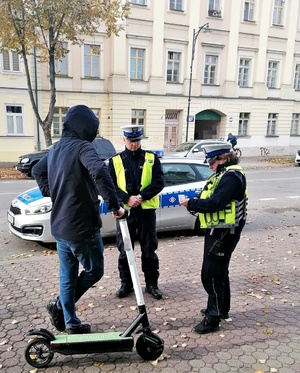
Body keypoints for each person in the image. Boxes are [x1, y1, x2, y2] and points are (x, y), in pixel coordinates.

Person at [32, 105, 125, 334]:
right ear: (86, 127)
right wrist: (115, 205)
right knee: (95, 270)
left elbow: (37, 170)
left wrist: (52, 190)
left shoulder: (56, 149)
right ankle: (60, 306)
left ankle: (71, 323)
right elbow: (100, 172)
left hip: (61, 228)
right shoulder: (84, 147)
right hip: (82, 227)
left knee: (67, 276)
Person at [180, 142, 247, 334]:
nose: (209, 165)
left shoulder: (232, 177)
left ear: (224, 158)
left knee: (211, 274)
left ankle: (213, 317)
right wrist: (196, 200)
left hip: (225, 232)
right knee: (220, 271)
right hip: (219, 229)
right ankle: (221, 308)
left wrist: (192, 203)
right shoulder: (224, 174)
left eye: (211, 161)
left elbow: (217, 202)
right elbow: (213, 197)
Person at [108, 125, 165, 300]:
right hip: (125, 213)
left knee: (149, 249)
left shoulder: (151, 158)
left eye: (137, 141)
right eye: (131, 141)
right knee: (125, 250)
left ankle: (151, 284)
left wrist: (140, 197)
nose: (134, 144)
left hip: (146, 212)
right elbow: (109, 187)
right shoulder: (115, 160)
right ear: (123, 140)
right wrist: (126, 199)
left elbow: (159, 182)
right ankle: (127, 284)